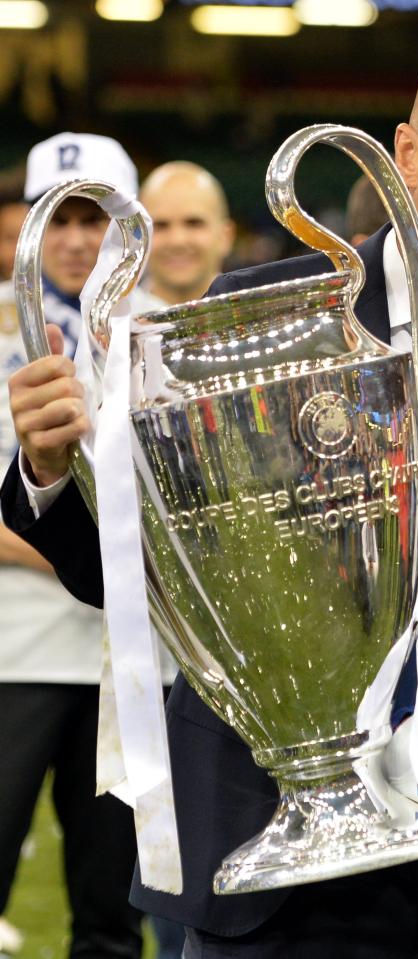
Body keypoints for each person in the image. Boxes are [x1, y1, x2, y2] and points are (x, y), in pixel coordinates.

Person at [0, 42, 418, 959]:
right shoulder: (254, 313)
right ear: (407, 155)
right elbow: (146, 585)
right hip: (260, 855)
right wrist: (52, 470)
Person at [0, 131, 175, 959]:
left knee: (113, 913)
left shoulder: (168, 336)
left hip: (129, 668)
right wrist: (110, 562)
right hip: (16, 653)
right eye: (57, 218)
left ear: (128, 223)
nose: (76, 239)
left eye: (93, 216)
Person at [139, 160, 234, 305]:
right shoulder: (108, 325)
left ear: (225, 236)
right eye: (161, 226)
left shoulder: (262, 320)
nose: (177, 240)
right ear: (138, 239)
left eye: (193, 224)